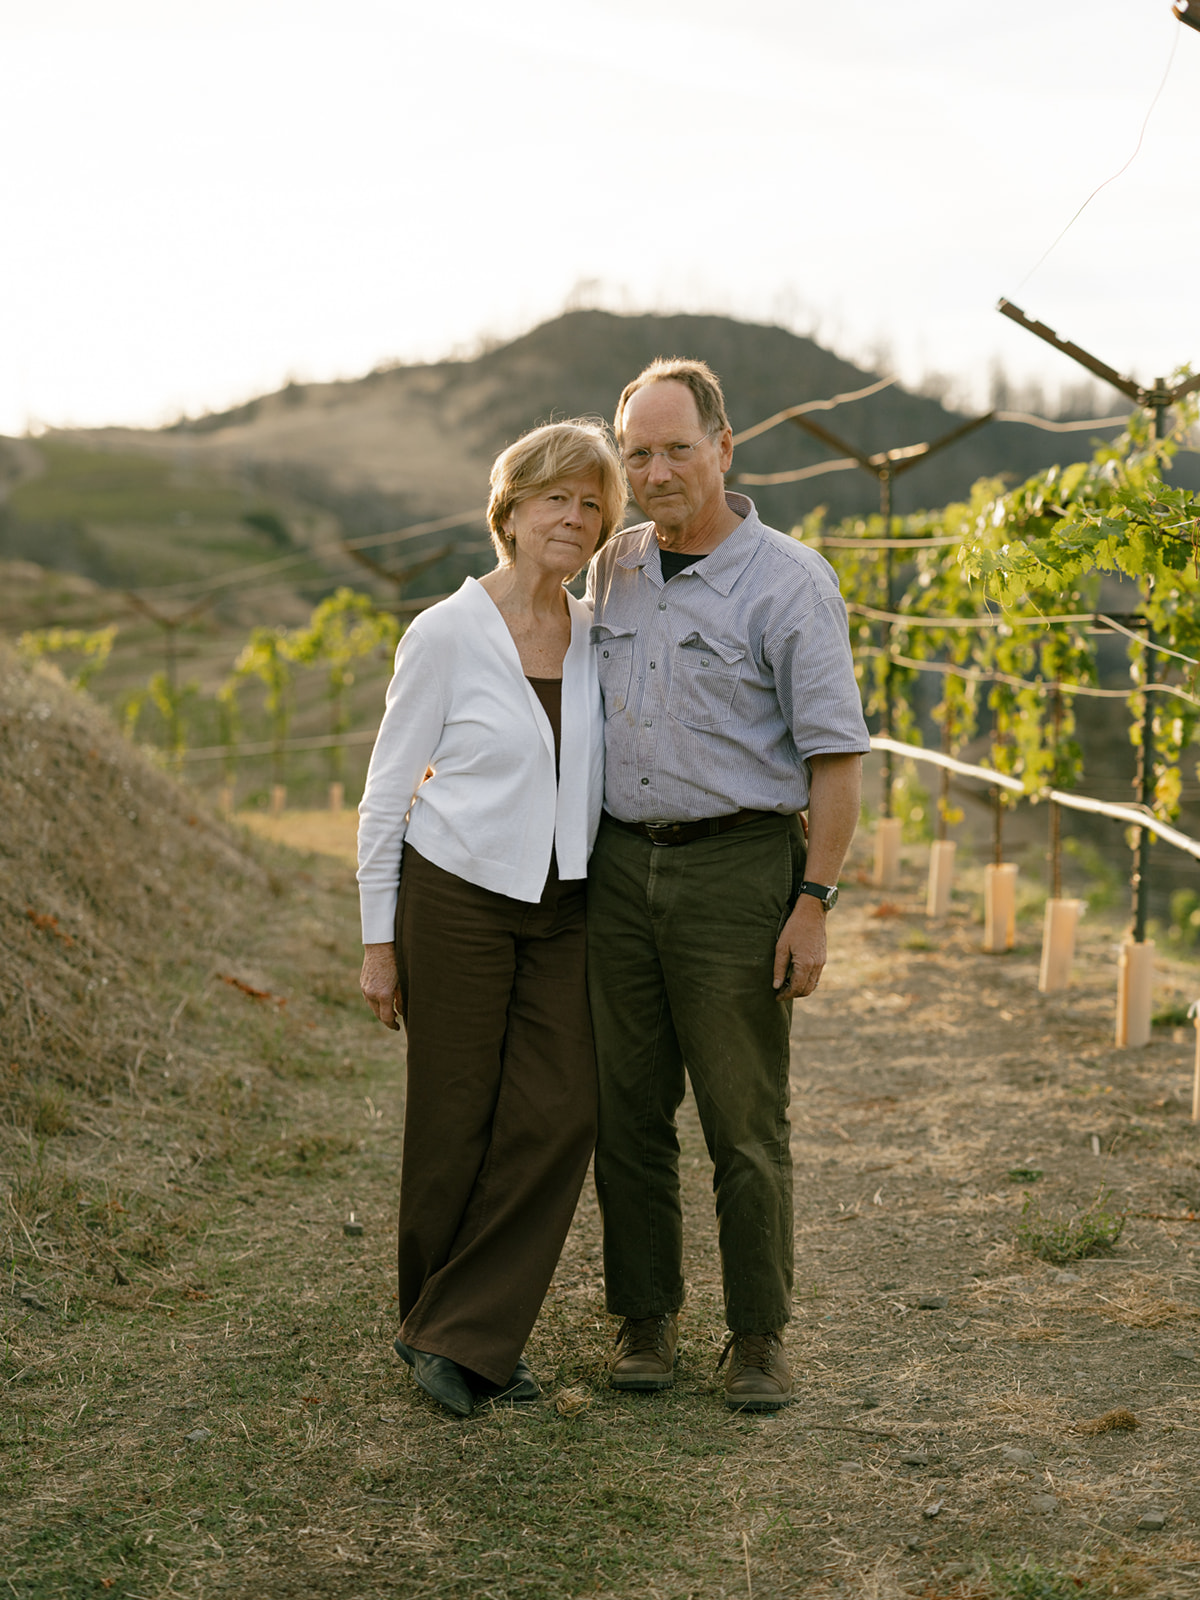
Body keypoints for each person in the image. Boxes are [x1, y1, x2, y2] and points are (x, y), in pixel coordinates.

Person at [586, 358, 870, 1411]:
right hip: (619, 866)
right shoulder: (610, 570)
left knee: (744, 1119)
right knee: (626, 1108)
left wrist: (816, 901)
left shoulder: (789, 581)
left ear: (724, 446)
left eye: (676, 448)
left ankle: (756, 1338)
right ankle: (644, 1319)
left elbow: (836, 758)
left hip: (741, 867)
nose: (657, 471)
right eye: (638, 453)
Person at [357, 419, 625, 1417]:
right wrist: (378, 941)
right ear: (508, 511)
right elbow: (386, 797)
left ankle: (460, 1326)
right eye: (555, 496)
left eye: (592, 502)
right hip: (455, 895)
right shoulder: (445, 632)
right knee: (454, 1111)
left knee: (563, 1108)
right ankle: (443, 1328)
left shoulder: (599, 632)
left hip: (566, 904)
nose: (575, 515)